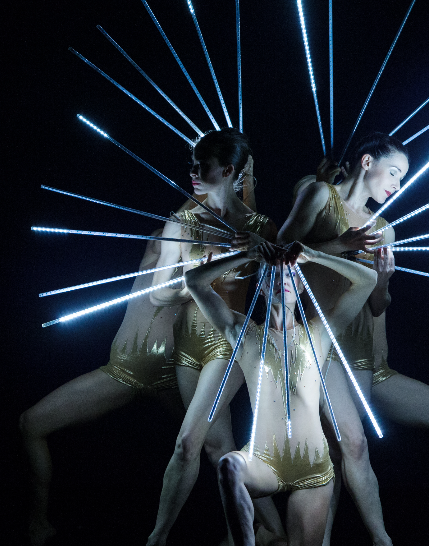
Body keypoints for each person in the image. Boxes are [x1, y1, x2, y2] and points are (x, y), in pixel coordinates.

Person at [19, 146, 266, 546]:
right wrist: (221, 169)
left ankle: (264, 527)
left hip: (173, 368)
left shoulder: (209, 244)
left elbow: (237, 217)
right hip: (128, 370)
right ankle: (39, 523)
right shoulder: (168, 235)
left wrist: (241, 177)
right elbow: (201, 205)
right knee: (32, 424)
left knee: (216, 448)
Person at [280, 133, 429, 546]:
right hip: (316, 345)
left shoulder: (383, 229)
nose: (398, 185)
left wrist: (384, 281)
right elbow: (279, 252)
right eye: (394, 173)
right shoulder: (319, 196)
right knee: (344, 446)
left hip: (361, 355)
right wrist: (341, 244)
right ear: (366, 162)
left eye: (403, 178)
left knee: (342, 451)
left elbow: (376, 306)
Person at [185, 240, 378, 546]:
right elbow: (194, 281)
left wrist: (313, 254)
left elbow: (368, 279)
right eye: (271, 275)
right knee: (229, 467)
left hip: (313, 467)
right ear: (261, 286)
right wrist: (246, 255)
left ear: (301, 286)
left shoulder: (319, 333)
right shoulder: (242, 333)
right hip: (264, 462)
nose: (281, 281)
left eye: (289, 275)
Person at [145, 129, 282, 546]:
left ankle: (156, 538)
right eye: (192, 163)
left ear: (226, 171)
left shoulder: (259, 226)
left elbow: (280, 294)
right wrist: (195, 283)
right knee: (215, 446)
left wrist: (259, 254)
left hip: (229, 342)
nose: (192, 172)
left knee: (187, 442)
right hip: (189, 343)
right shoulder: (182, 222)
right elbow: (155, 294)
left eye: (201, 166)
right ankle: (270, 530)